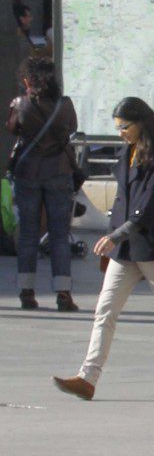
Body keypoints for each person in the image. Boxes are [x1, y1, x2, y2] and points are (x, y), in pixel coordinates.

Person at [53, 98, 154, 402]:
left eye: (124, 127)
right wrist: (116, 237)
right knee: (105, 310)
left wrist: (115, 235)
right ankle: (87, 379)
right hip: (125, 250)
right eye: (117, 128)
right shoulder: (127, 153)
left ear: (141, 122)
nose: (121, 133)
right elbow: (124, 201)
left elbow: (148, 209)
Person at [6, 56, 79, 312]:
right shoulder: (65, 105)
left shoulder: (20, 104)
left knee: (28, 233)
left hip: (27, 173)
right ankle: (63, 293)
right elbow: (72, 127)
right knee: (60, 235)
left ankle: (27, 291)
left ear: (27, 80)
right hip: (59, 172)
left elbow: (13, 129)